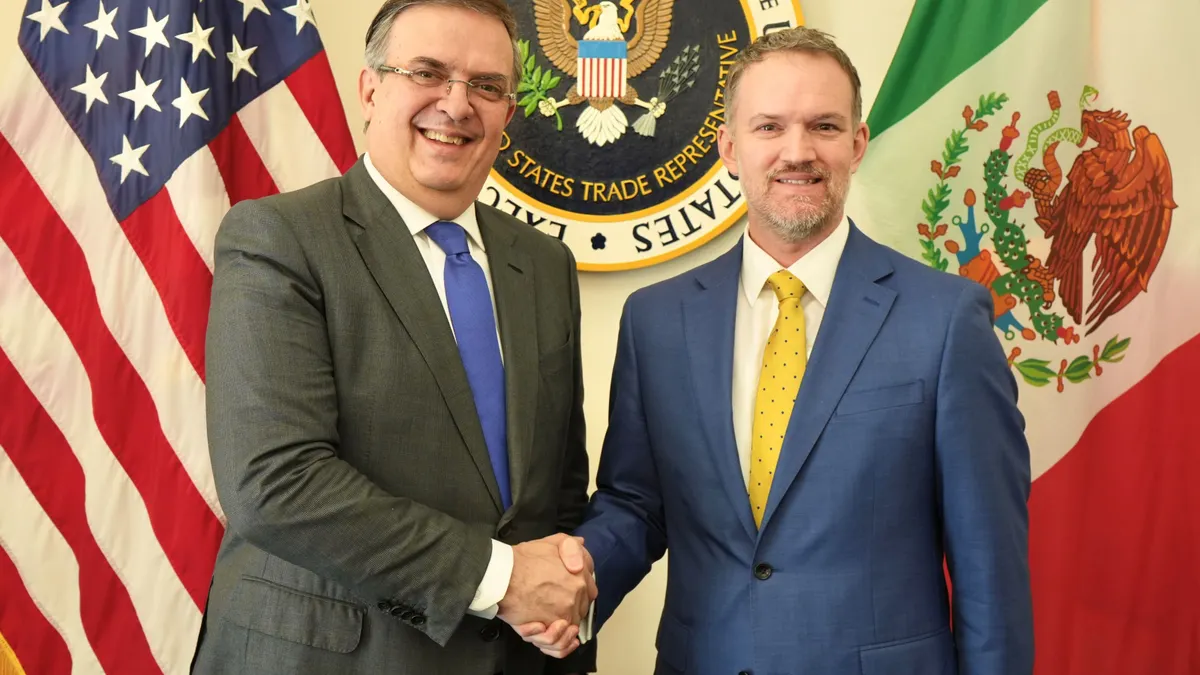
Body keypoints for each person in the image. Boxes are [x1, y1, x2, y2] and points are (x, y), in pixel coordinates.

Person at [525, 26, 1034, 674]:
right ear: (729, 148)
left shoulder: (947, 319)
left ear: (857, 144)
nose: (798, 152)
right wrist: (568, 581)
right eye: (769, 127)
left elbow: (989, 564)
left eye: (823, 126)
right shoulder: (656, 321)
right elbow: (635, 503)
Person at [191, 1, 596, 673]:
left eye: (488, 86)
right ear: (371, 88)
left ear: (507, 113)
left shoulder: (544, 263)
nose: (458, 104)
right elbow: (276, 484)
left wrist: (561, 604)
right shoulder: (280, 238)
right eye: (429, 72)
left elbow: (558, 492)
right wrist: (501, 580)